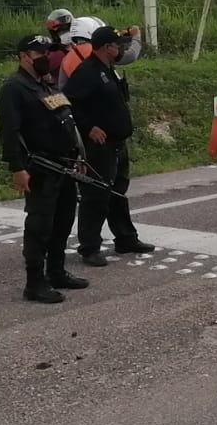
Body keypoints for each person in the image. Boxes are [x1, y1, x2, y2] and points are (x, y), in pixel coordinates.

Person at [0, 35, 91, 304]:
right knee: (39, 226)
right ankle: (35, 282)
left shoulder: (47, 85)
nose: (46, 58)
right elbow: (9, 132)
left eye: (47, 53)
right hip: (40, 166)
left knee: (62, 221)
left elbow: (65, 122)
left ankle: (57, 271)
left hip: (64, 165)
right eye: (39, 54)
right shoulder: (14, 89)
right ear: (24, 57)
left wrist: (77, 155)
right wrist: (17, 167)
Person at [65, 26, 155, 267]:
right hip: (101, 146)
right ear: (106, 47)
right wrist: (88, 127)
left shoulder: (109, 69)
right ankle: (89, 247)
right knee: (96, 195)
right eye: (117, 45)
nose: (121, 48)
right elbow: (67, 102)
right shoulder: (88, 71)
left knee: (117, 192)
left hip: (117, 142)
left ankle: (125, 237)